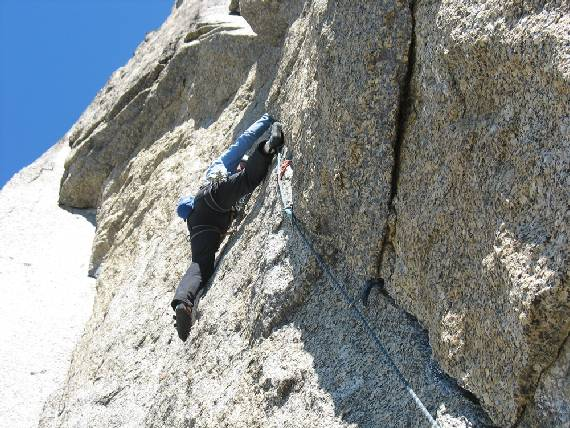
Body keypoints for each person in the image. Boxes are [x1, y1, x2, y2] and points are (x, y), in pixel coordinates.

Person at [172, 113, 284, 341]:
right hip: (212, 198)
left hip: (202, 225)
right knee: (246, 181)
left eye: (244, 163)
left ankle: (183, 303)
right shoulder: (222, 168)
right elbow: (243, 140)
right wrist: (267, 119)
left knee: (201, 265)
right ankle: (268, 147)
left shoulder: (198, 209)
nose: (241, 165)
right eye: (242, 163)